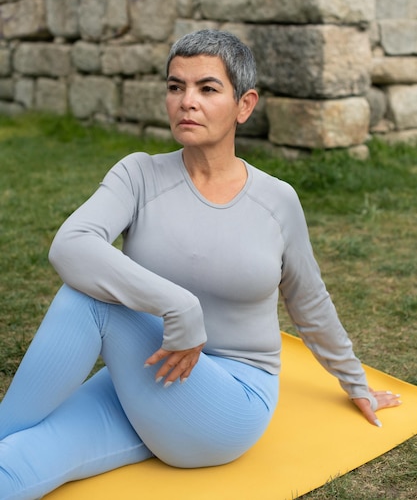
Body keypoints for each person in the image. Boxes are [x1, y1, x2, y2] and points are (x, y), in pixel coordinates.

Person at [0, 30, 400, 499]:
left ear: (243, 105)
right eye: (176, 87)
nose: (187, 101)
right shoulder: (139, 174)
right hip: (148, 373)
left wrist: (356, 382)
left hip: (230, 399)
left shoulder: (277, 201)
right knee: (19, 462)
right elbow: (69, 246)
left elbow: (309, 301)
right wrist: (178, 307)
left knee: (90, 300)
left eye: (207, 89)